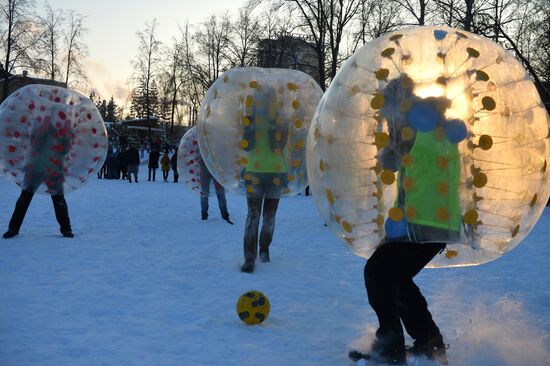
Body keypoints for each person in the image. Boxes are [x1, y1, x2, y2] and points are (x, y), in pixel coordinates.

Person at [353, 75, 462, 365]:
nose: (385, 116)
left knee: (377, 272)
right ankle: (430, 342)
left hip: (422, 220)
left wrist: (384, 134)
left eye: (386, 109)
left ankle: (389, 349)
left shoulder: (411, 124)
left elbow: (388, 161)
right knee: (398, 278)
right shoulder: (433, 121)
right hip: (440, 220)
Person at [240, 87, 288, 273]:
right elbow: (245, 145)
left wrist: (274, 126)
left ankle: (264, 249)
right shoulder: (249, 119)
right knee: (253, 215)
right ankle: (249, 257)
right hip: (253, 172)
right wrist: (252, 126)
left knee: (269, 217)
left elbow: (280, 145)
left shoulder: (281, 119)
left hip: (276, 173)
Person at [3, 111, 74, 239]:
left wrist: (66, 134)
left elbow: (64, 150)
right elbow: (34, 145)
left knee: (59, 201)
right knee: (24, 199)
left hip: (54, 171)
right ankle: (13, 229)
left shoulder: (62, 132)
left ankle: (66, 230)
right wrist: (43, 129)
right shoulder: (41, 127)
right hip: (36, 168)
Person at [199, 159, 233, 225]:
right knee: (220, 194)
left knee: (204, 194)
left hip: (206, 167)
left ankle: (204, 215)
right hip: (216, 168)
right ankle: (225, 215)